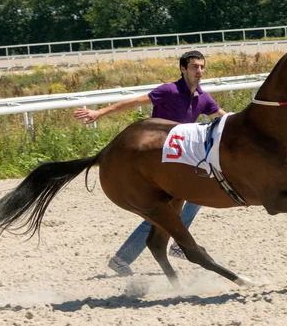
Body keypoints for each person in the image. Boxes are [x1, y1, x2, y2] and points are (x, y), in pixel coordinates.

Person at [75, 51, 226, 276]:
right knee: (161, 214)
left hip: (182, 162)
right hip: (158, 163)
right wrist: (101, 112)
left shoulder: (203, 98)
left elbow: (223, 118)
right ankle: (124, 257)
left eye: (202, 67)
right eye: (195, 67)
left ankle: (177, 243)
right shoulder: (169, 90)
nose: (199, 72)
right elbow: (134, 102)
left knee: (197, 197)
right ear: (183, 69)